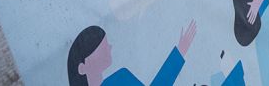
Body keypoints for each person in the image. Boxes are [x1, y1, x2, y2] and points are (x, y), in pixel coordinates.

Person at [67, 20, 196, 86]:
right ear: (81, 67)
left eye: (106, 43)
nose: (109, 47)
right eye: (101, 46)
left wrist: (179, 53)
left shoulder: (119, 79)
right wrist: (179, 53)